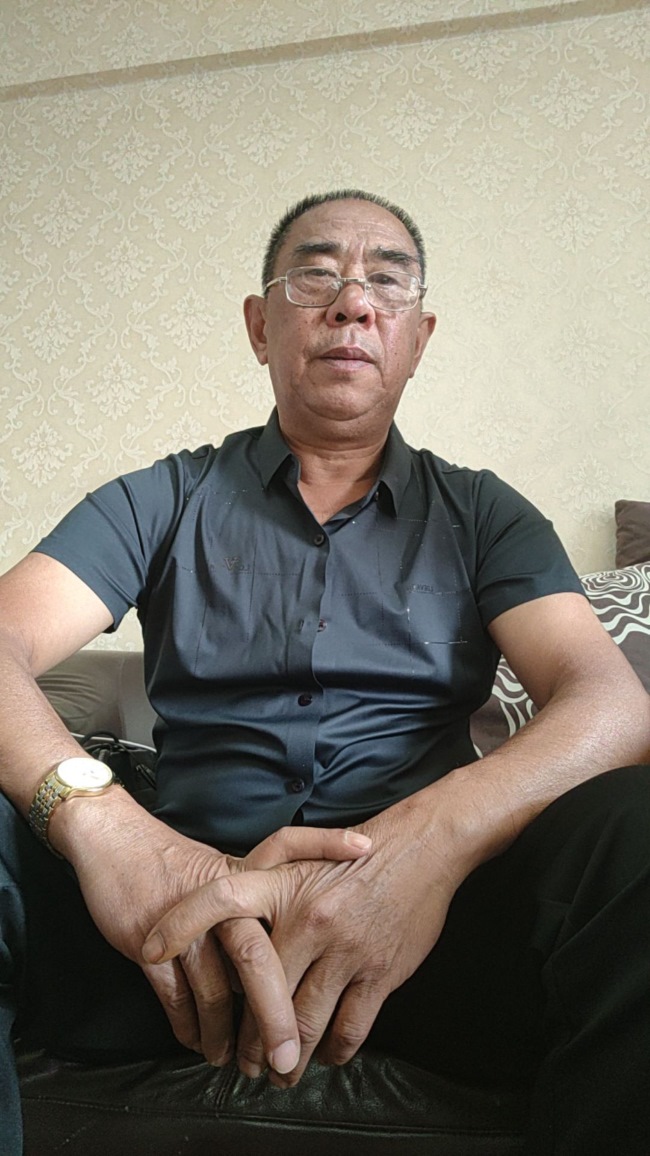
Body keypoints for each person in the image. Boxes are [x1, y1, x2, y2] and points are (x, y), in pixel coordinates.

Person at [0, 189, 649, 1155]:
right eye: (315, 276)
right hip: (170, 933)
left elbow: (611, 704)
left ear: (419, 338)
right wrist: (112, 832)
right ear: (261, 327)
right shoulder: (160, 497)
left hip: (434, 943)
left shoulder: (487, 516)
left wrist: (419, 851)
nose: (352, 302)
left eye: (387, 281)